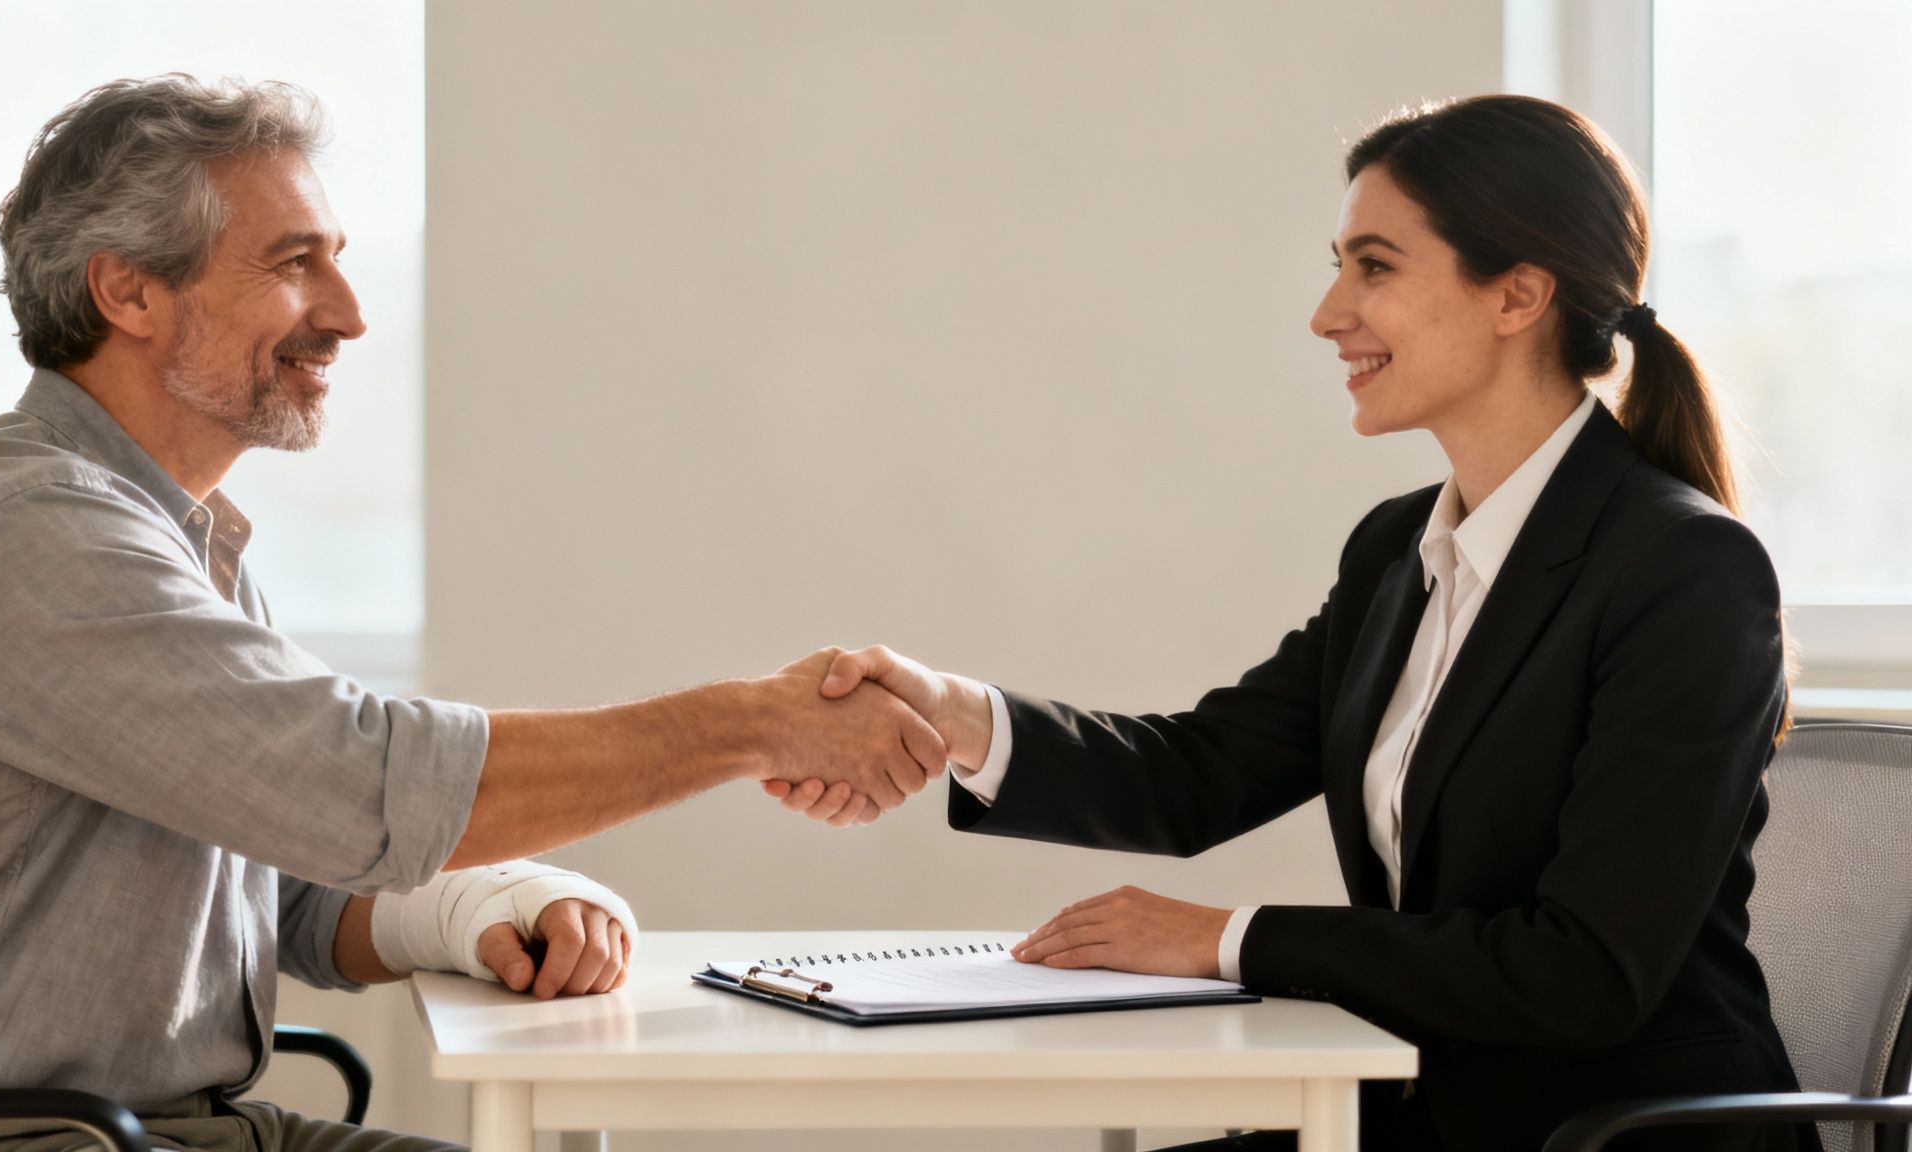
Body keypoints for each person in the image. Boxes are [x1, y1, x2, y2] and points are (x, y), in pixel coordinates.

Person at [0, 75, 940, 1152]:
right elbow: (353, 791)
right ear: (129, 293)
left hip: (173, 1131)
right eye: (295, 263)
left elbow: (291, 890)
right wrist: (756, 723)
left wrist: (484, 910)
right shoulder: (28, 534)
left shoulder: (173, 536)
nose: (348, 313)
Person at [773, 95, 1815, 1152]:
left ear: (1517, 294)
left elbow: (1581, 972)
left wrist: (1227, 940)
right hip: (1434, 1111)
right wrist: (955, 715)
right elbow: (1200, 773)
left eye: (1372, 267)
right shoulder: (1395, 551)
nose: (1326, 313)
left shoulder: (1684, 572)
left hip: (1612, 1135)